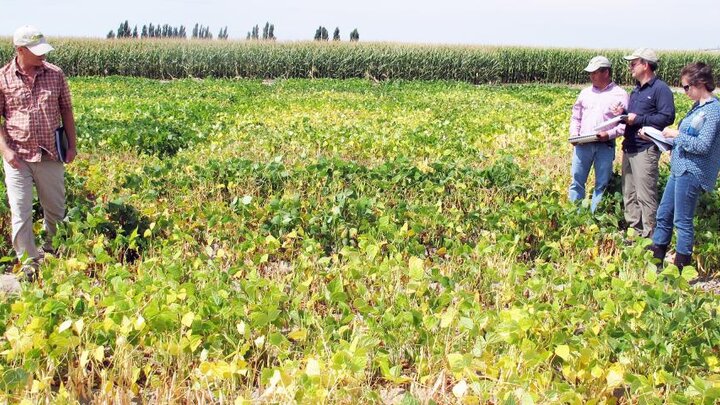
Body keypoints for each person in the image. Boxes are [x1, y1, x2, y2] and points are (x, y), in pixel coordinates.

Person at [0, 26, 78, 279]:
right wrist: (6, 151)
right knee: (20, 212)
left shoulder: (55, 74)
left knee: (55, 210)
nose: (43, 56)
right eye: (36, 52)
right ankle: (29, 264)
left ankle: (52, 253)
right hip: (17, 157)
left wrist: (72, 146)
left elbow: (66, 110)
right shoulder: (2, 78)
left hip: (50, 154)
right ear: (20, 50)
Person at [647, 62, 720, 270]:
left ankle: (681, 269)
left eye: (687, 87)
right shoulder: (698, 108)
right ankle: (656, 259)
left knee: (682, 220)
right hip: (680, 167)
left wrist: (677, 135)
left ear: (701, 83)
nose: (685, 91)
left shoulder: (713, 111)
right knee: (664, 213)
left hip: (693, 170)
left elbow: (703, 145)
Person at [612, 48, 675, 239]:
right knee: (629, 194)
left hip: (645, 148)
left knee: (645, 195)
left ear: (645, 65)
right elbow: (635, 117)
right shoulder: (637, 90)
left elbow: (667, 117)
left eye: (633, 63)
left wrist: (637, 119)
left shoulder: (660, 89)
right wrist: (622, 113)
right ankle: (634, 234)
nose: (630, 67)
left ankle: (651, 238)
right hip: (630, 146)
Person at [569, 56, 628, 212]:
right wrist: (574, 134)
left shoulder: (620, 94)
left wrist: (608, 134)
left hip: (605, 145)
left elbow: (624, 124)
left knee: (602, 184)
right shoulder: (585, 93)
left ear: (606, 73)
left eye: (595, 73)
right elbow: (576, 117)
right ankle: (574, 214)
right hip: (582, 144)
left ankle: (596, 215)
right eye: (591, 73)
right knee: (577, 181)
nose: (591, 76)